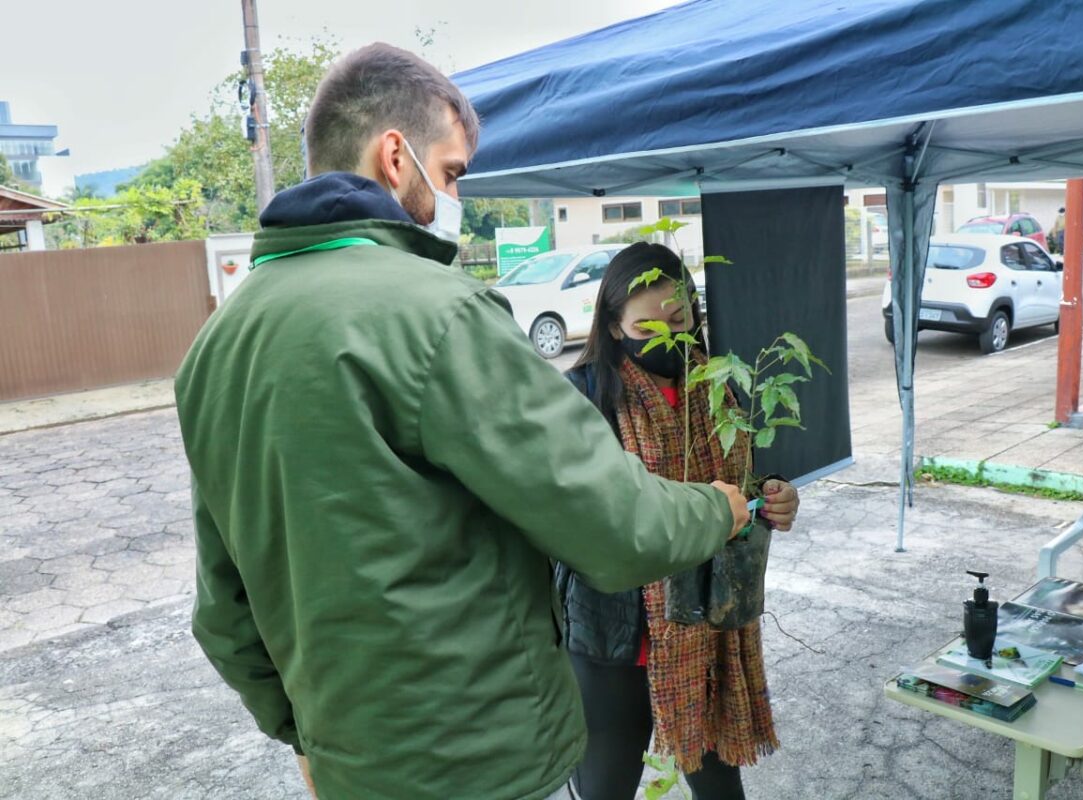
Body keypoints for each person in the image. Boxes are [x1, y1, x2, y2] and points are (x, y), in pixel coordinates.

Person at [174, 44, 750, 800]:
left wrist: (300, 734)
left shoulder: (216, 345)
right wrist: (720, 507)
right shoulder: (439, 311)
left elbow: (223, 610)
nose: (455, 198)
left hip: (352, 766)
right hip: (481, 758)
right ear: (394, 156)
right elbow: (616, 528)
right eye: (450, 173)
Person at [559, 243, 800, 800]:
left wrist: (771, 500)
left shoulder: (721, 387)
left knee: (720, 791)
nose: (668, 337)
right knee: (603, 788)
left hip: (705, 632)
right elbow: (570, 517)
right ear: (614, 328)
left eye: (679, 320)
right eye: (646, 325)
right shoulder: (582, 397)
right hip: (612, 637)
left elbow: (741, 492)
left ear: (696, 315)